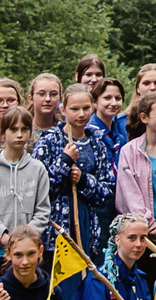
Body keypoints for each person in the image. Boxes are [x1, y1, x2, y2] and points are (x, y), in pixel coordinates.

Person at [39, 83, 115, 263]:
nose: (81, 114)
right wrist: (64, 162)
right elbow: (40, 187)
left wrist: (83, 181)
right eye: (75, 109)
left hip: (89, 224)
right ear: (63, 110)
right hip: (57, 225)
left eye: (86, 108)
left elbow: (107, 190)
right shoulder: (49, 141)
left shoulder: (97, 141)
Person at [0, 106, 46, 269]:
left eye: (24, 129)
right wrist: (4, 236)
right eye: (13, 129)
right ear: (3, 133)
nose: (19, 135)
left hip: (28, 252)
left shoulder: (38, 169)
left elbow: (43, 209)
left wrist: (26, 238)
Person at [115, 93, 156, 250]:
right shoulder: (129, 151)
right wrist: (149, 225)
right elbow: (129, 195)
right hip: (140, 232)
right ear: (144, 118)